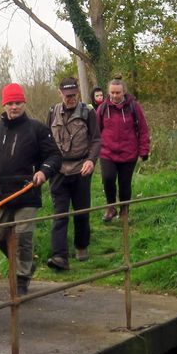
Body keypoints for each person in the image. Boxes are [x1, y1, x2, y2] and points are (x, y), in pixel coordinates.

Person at [0, 83, 61, 295]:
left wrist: (43, 172)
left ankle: (22, 278)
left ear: (24, 103)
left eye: (17, 102)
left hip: (27, 192)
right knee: (0, 239)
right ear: (4, 105)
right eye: (10, 103)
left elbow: (54, 156)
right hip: (1, 195)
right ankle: (24, 265)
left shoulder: (37, 129)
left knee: (23, 237)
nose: (14, 107)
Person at [46, 77, 101, 271]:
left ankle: (81, 246)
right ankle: (59, 256)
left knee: (81, 212)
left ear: (78, 92)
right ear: (60, 93)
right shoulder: (52, 112)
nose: (71, 99)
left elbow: (96, 140)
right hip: (59, 170)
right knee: (60, 214)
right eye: (67, 95)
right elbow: (47, 141)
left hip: (81, 169)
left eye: (74, 95)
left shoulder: (88, 112)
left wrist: (91, 161)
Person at [97, 76, 151, 221]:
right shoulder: (103, 108)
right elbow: (96, 131)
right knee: (108, 178)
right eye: (112, 93)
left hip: (128, 152)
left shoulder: (133, 107)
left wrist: (144, 150)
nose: (114, 96)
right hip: (107, 152)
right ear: (109, 92)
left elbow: (143, 130)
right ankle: (110, 207)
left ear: (124, 92)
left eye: (118, 93)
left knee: (124, 183)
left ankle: (124, 211)